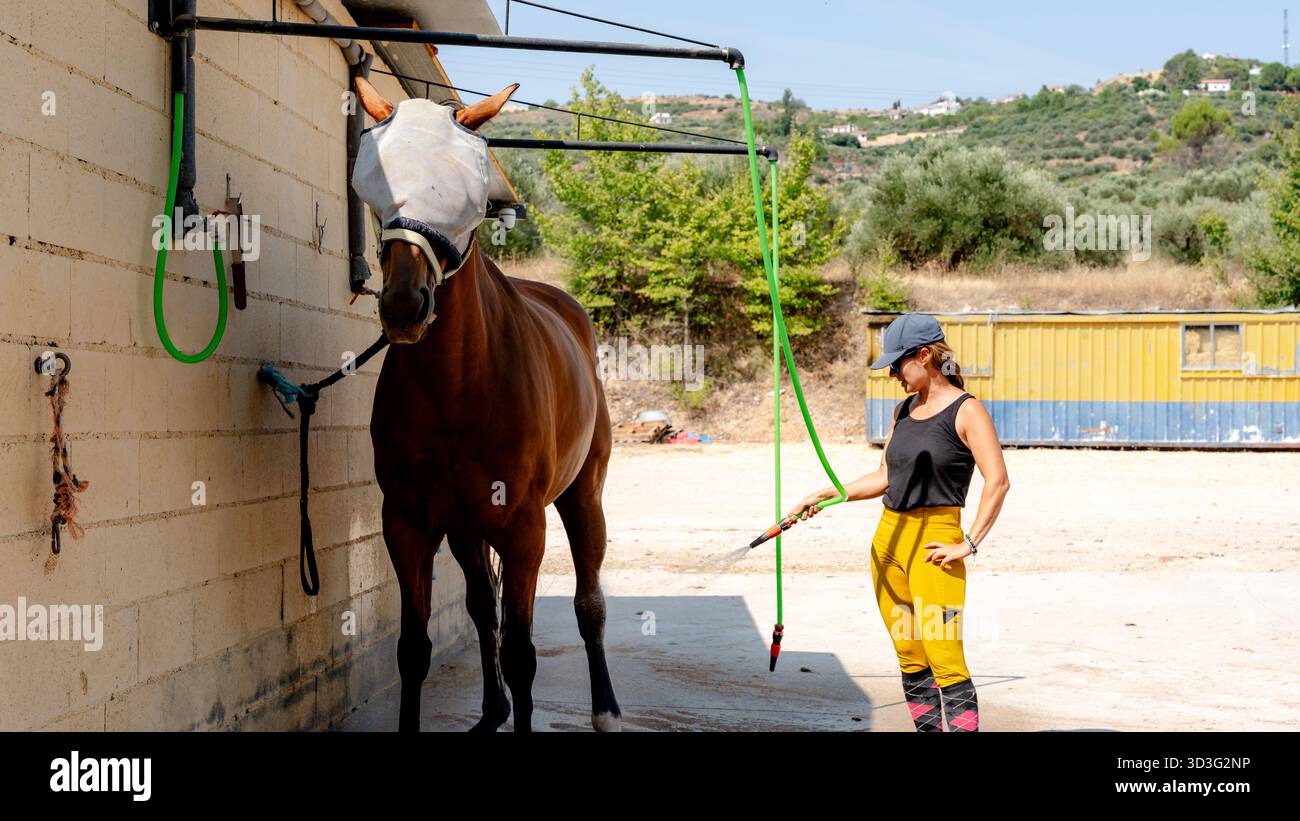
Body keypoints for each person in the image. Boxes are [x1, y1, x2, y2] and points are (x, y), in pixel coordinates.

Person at [789, 313, 1010, 732]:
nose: (891, 373)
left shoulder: (968, 411)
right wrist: (830, 493)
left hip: (935, 549)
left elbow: (997, 481)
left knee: (945, 658)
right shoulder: (903, 409)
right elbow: (886, 476)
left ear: (924, 356)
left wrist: (969, 543)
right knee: (909, 655)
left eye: (897, 363)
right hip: (888, 544)